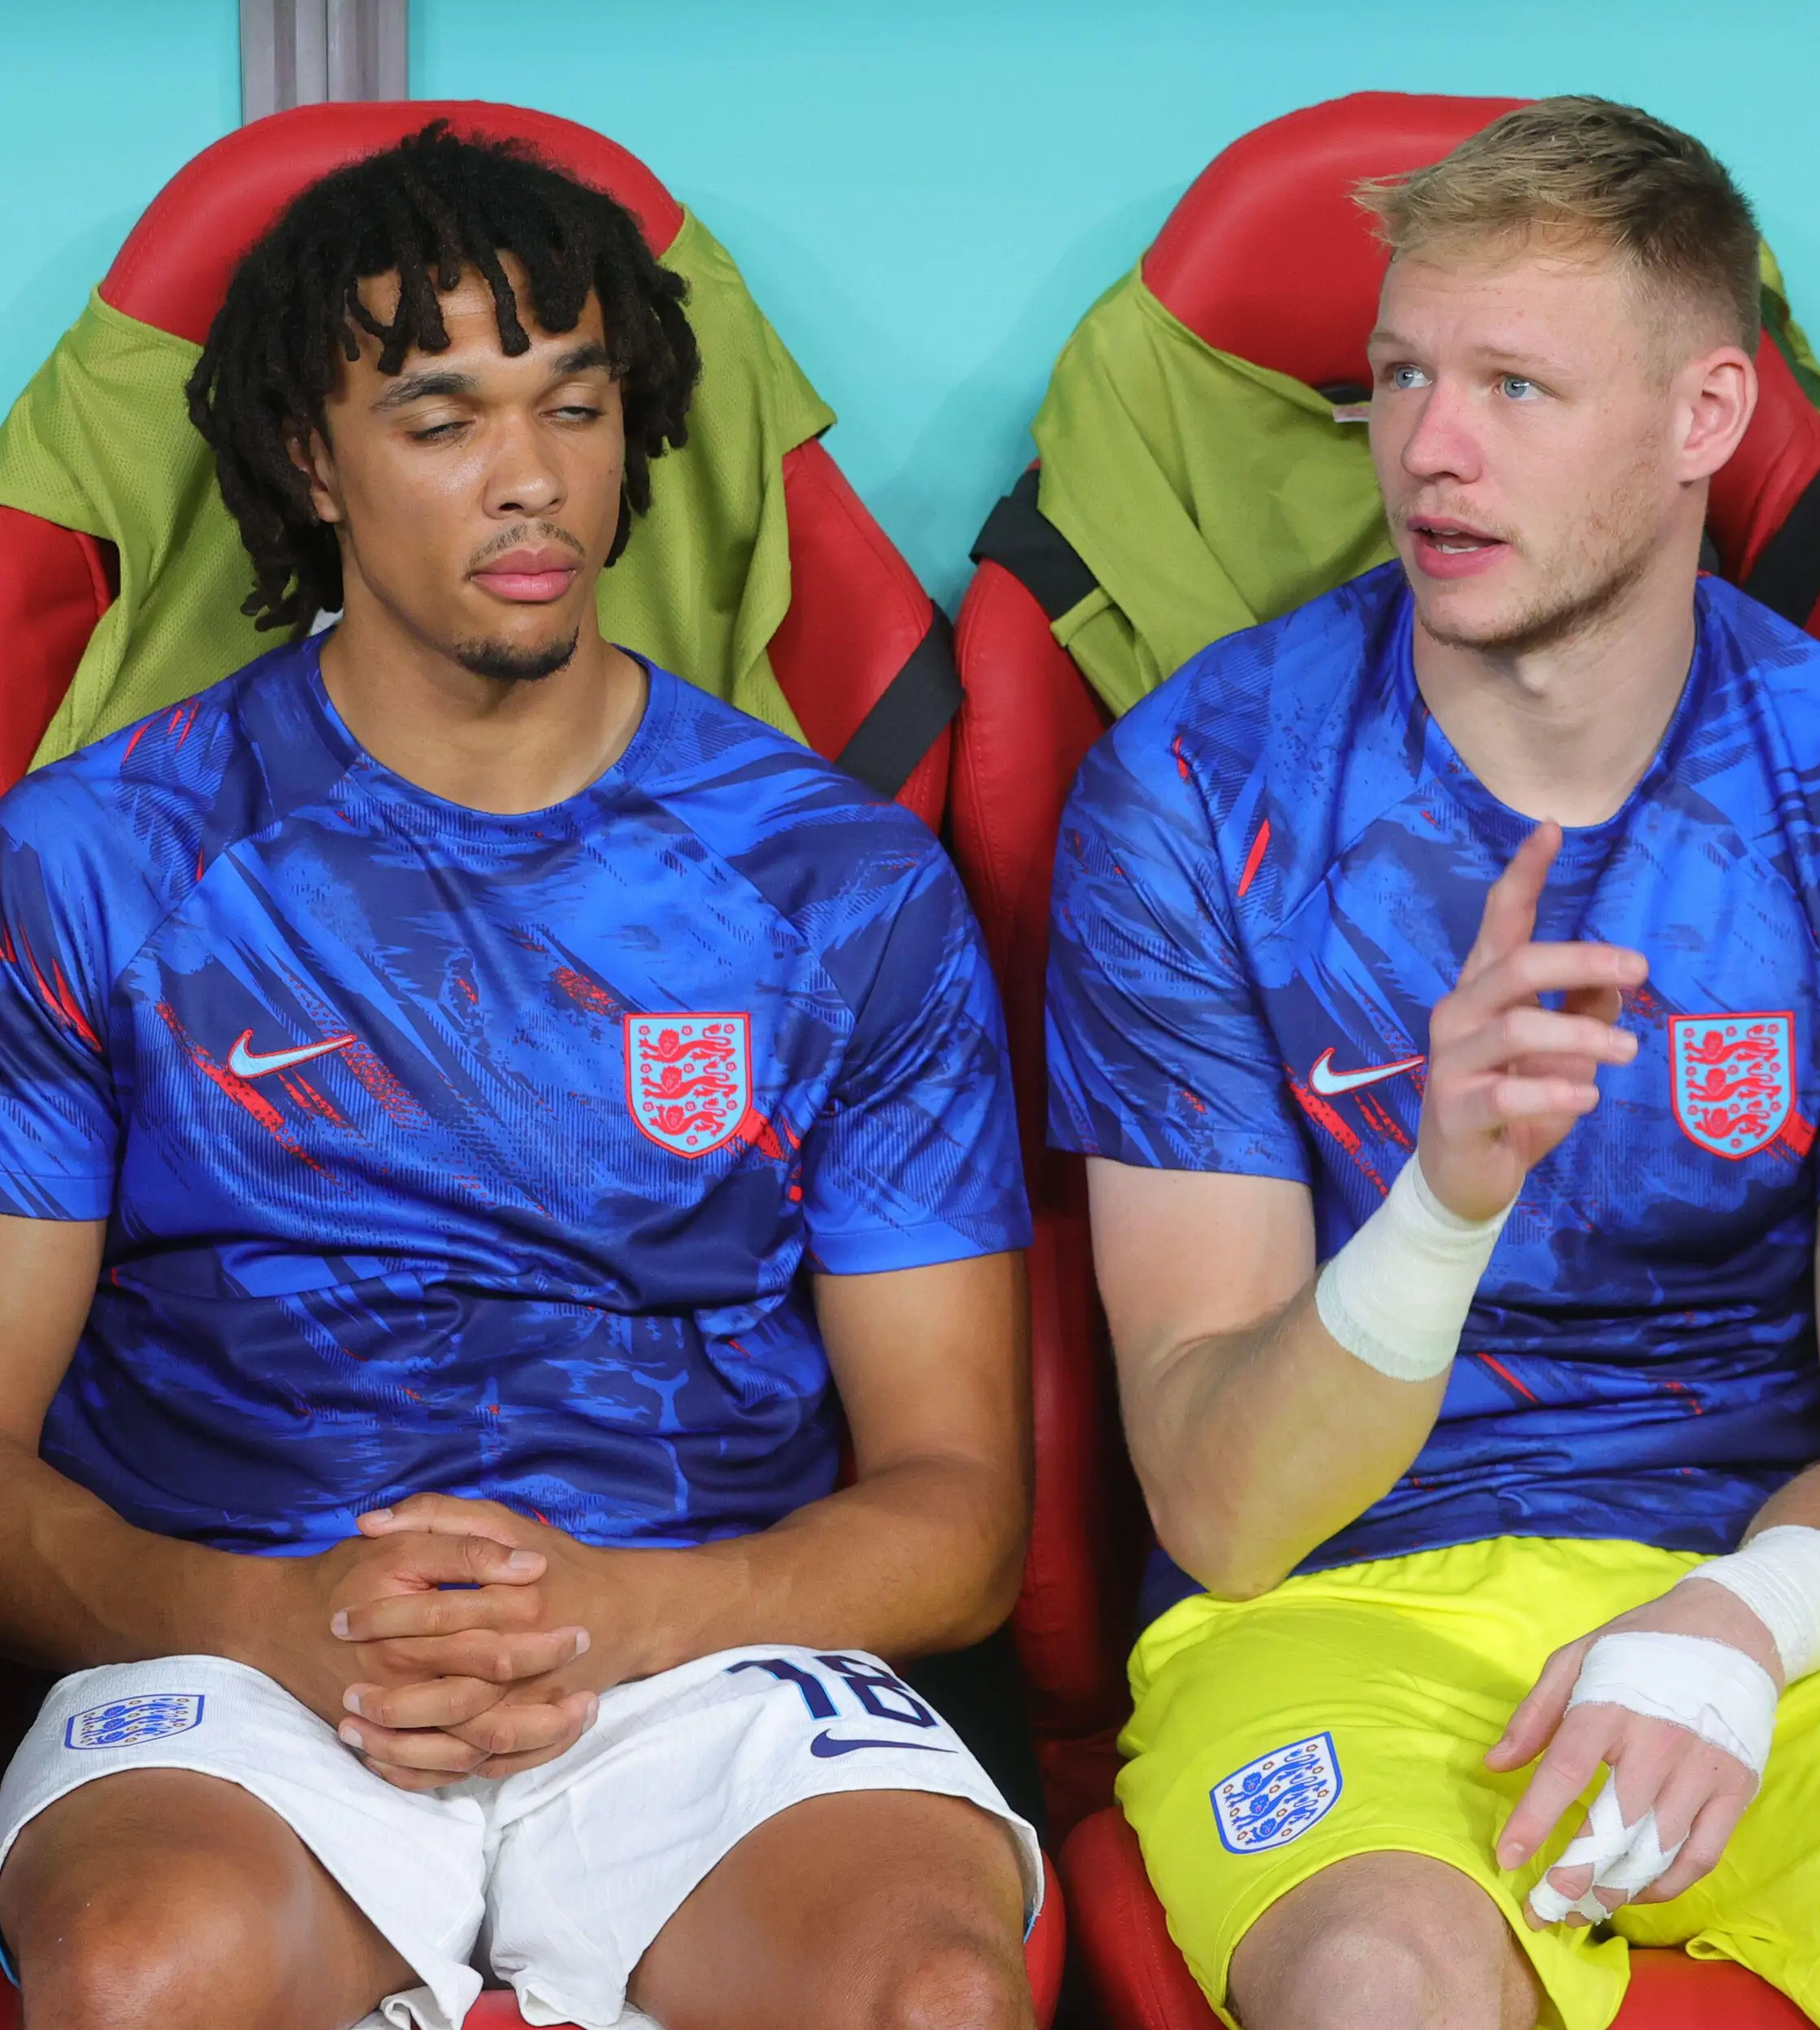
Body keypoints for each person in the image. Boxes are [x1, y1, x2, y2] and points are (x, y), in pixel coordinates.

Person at [1044, 96, 1820, 2030]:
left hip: (1770, 1599)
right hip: (1336, 1610)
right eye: (1400, 377)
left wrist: (1736, 1628)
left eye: (1516, 386)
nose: (1431, 449)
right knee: (1378, 1983)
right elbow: (1221, 1506)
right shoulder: (1190, 792)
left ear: (1707, 416)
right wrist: (1440, 1206)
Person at [0, 124, 1041, 2030]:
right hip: (244, 1640)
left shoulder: (839, 881)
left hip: (699, 1638)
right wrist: (264, 1615)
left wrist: (626, 1612)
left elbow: (961, 1509)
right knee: (139, 1974)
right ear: (310, 458)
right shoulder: (97, 861)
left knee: (931, 1990)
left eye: (575, 405)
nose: (532, 477)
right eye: (441, 418)